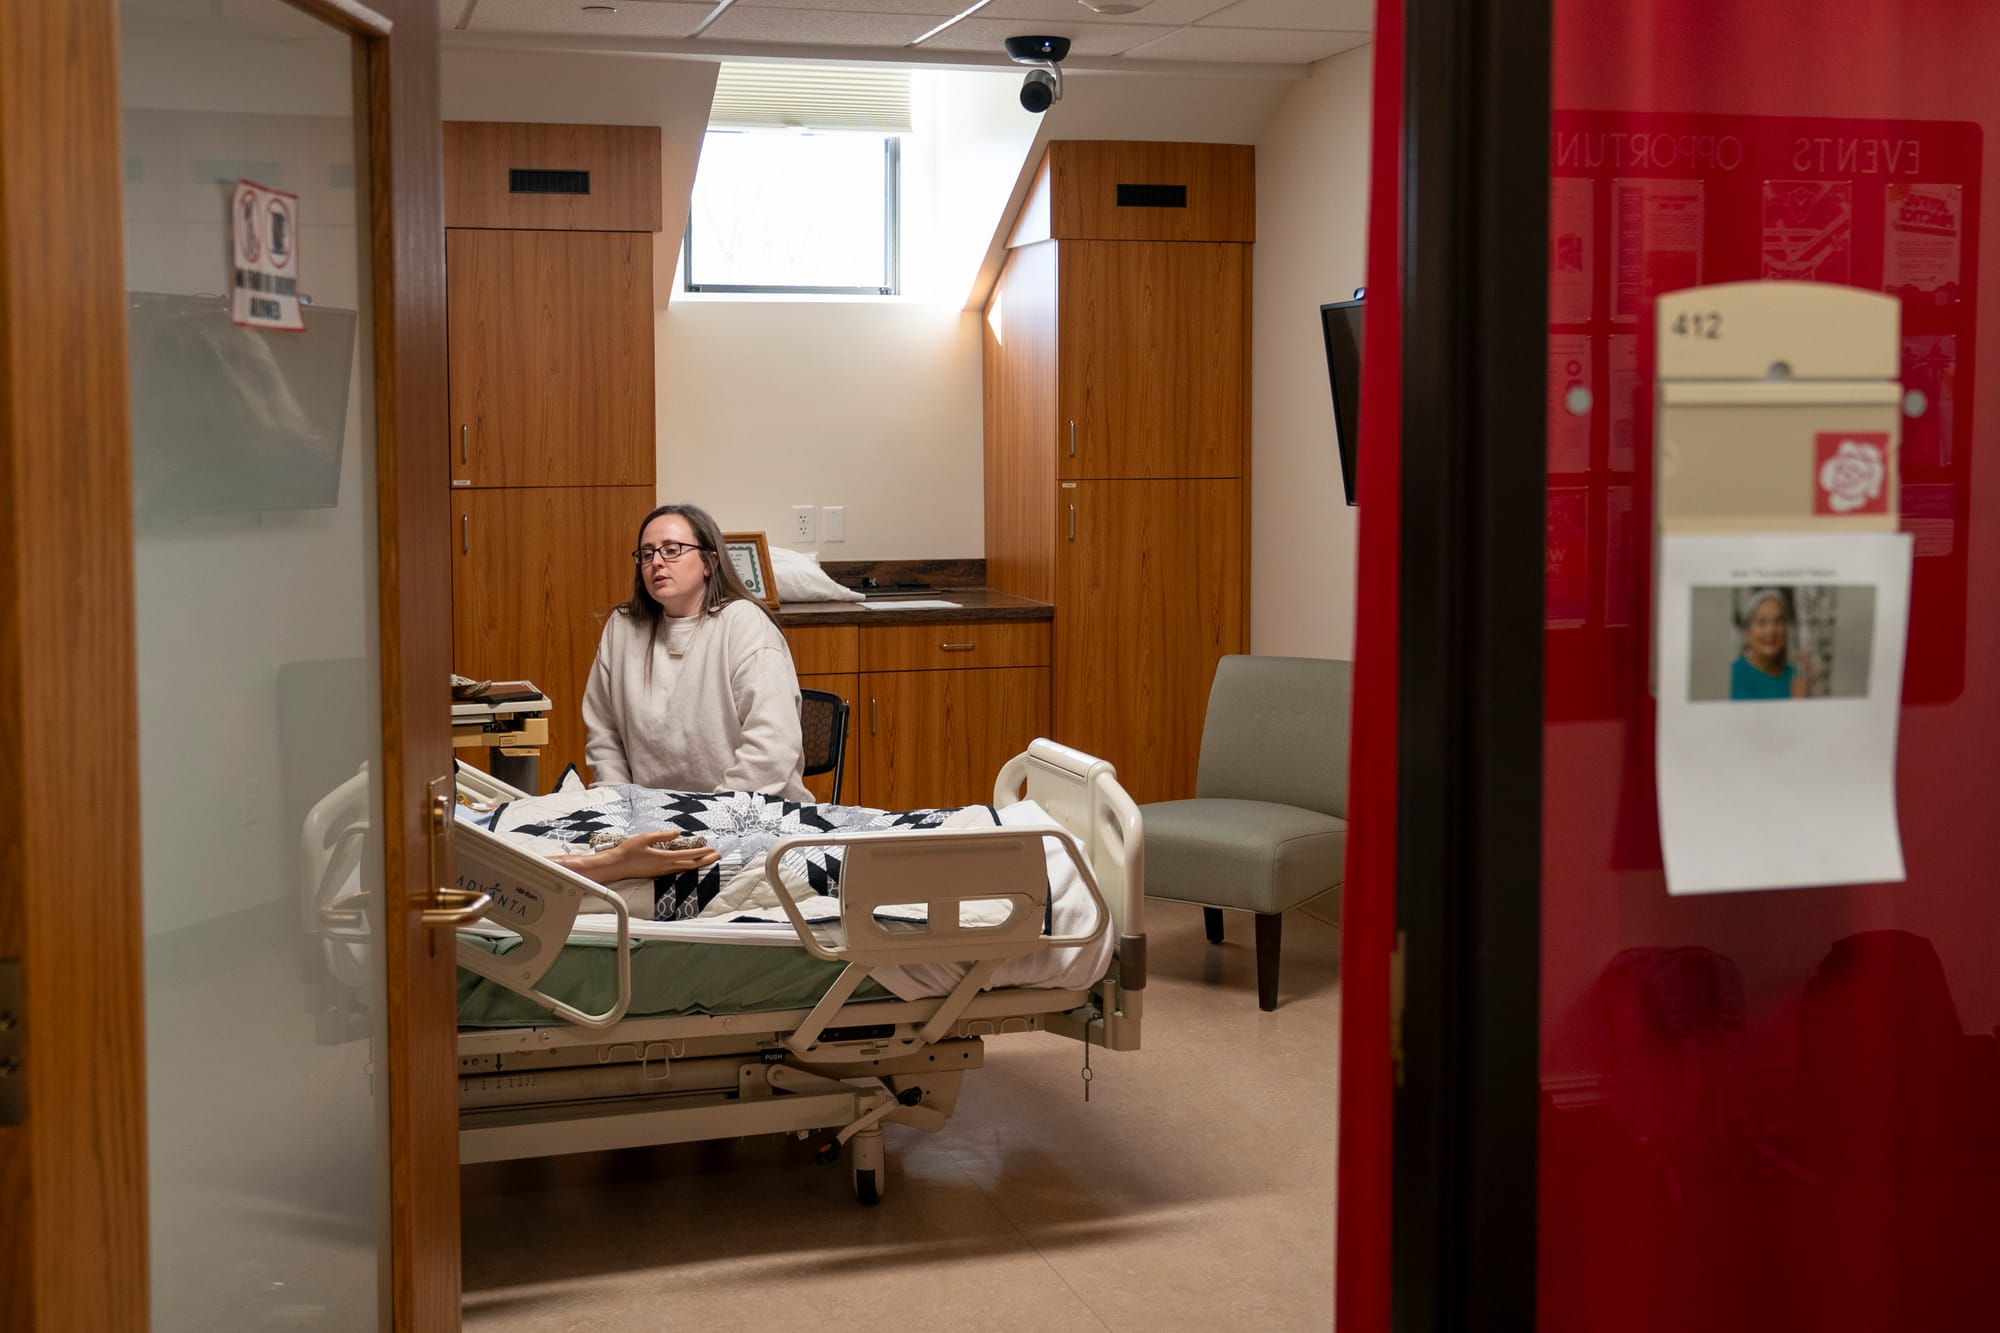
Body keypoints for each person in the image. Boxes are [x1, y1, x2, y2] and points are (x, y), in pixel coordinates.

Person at [583, 503, 811, 799]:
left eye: (672, 550)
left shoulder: (743, 623)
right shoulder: (622, 628)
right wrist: (621, 804)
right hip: (652, 818)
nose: (657, 563)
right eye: (647, 553)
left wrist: (711, 815)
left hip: (748, 809)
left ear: (709, 562)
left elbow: (773, 746)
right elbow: (604, 736)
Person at [1729, 588, 1814, 700]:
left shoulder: (1796, 677)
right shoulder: (1735, 673)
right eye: (1762, 622)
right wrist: (1797, 702)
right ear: (1747, 633)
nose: (1771, 631)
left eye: (1779, 621)